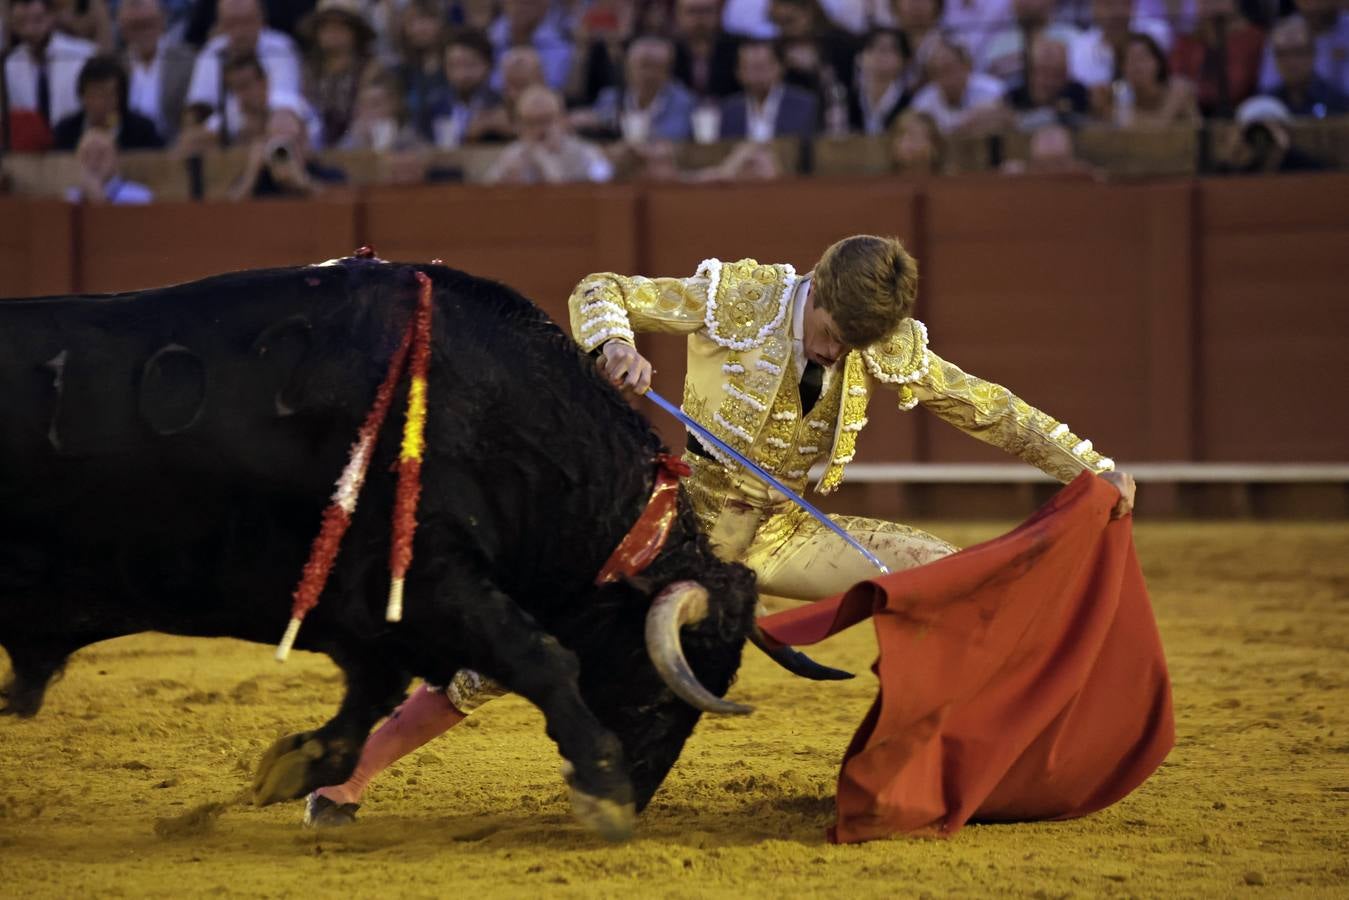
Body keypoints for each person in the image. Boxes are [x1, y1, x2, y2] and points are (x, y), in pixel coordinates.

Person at [303, 234, 1134, 827]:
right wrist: (614, 349)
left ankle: (953, 769)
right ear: (813, 289)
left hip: (781, 528)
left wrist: (1087, 467)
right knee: (518, 649)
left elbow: (984, 406)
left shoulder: (883, 342)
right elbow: (603, 290)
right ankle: (353, 776)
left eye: (852, 347)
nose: (838, 353)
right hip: (675, 523)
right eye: (831, 336)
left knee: (942, 576)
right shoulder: (741, 297)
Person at [52, 54, 165, 150]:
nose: (100, 103)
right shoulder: (64, 132)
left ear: (120, 96)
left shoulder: (143, 132)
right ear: (82, 96)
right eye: (94, 95)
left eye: (107, 95)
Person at [64, 126, 154, 203]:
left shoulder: (139, 198)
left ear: (117, 159)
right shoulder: (70, 199)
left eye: (101, 154)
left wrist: (100, 200)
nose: (93, 162)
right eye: (86, 155)